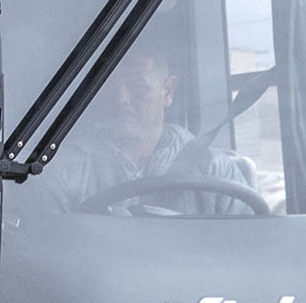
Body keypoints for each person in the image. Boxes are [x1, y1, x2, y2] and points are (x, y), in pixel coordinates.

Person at [33, 43, 260, 213]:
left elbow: (249, 251)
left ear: (168, 91)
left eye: (138, 87)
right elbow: (49, 257)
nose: (121, 98)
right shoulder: (64, 170)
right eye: (110, 87)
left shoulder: (213, 171)